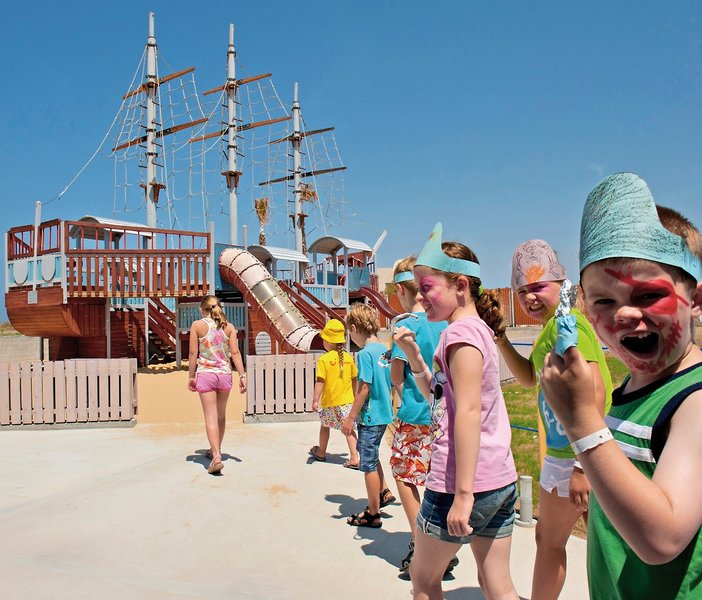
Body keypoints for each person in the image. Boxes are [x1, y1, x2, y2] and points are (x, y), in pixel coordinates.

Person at [540, 172, 702, 599]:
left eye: (647, 295)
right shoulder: (634, 385)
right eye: (604, 301)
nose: (625, 314)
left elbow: (662, 539)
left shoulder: (694, 399)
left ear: (696, 300)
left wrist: (580, 421)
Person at [394, 223, 519, 600]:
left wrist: (463, 495)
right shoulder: (477, 331)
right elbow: (441, 398)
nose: (421, 297)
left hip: (459, 484)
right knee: (496, 583)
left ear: (461, 285)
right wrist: (415, 358)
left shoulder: (459, 335)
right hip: (499, 478)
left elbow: (467, 411)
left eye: (427, 287)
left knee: (423, 580)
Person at [495, 239, 612, 600]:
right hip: (572, 454)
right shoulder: (552, 328)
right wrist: (502, 340)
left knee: (560, 542)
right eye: (522, 291)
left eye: (538, 287)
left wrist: (581, 465)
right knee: (589, 546)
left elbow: (594, 391)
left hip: (578, 456)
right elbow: (531, 377)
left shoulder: (567, 324)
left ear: (561, 285)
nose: (529, 297)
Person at [389, 257, 447, 574]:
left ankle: (421, 542)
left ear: (401, 290)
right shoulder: (443, 322)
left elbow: (397, 375)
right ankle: (444, 544)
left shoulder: (406, 326)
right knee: (437, 480)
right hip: (443, 416)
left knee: (404, 474)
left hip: (414, 414)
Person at [341, 303, 396, 528]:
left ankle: (373, 512)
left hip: (370, 417)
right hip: (384, 414)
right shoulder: (384, 350)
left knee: (367, 464)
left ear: (354, 328)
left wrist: (350, 417)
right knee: (371, 456)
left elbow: (364, 387)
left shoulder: (364, 354)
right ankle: (383, 492)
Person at [187, 295, 246, 475]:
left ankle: (216, 456)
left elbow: (192, 353)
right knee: (221, 416)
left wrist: (191, 376)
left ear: (201, 309)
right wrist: (242, 375)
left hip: (206, 374)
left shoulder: (197, 326)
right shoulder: (229, 327)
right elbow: (235, 353)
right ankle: (215, 449)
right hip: (224, 375)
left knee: (210, 416)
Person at [308, 318, 360, 468]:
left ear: (329, 341)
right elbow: (354, 379)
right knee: (348, 429)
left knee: (325, 426)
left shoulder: (324, 359)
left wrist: (315, 400)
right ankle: (354, 457)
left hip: (329, 402)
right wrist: (355, 397)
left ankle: (321, 452)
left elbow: (320, 381)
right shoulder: (348, 358)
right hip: (346, 402)